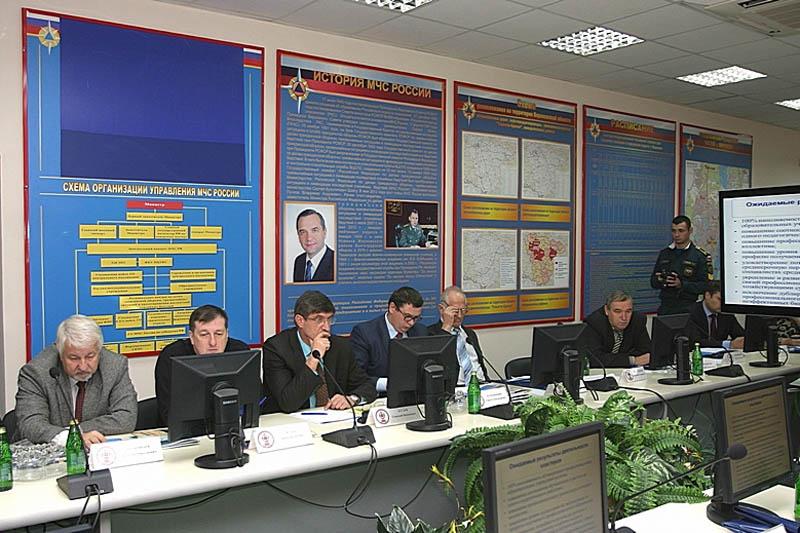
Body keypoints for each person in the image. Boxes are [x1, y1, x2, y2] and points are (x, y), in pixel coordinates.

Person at [15, 315, 137, 445]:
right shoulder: (37, 372)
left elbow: (126, 418)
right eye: (74, 358)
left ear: (99, 351)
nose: (83, 366)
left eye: (90, 356)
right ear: (60, 354)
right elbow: (30, 424)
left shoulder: (115, 366)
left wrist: (75, 431)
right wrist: (70, 437)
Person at [262, 291, 376, 413]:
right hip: (289, 421)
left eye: (329, 319)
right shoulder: (276, 348)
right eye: (318, 319)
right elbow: (287, 403)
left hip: (332, 417)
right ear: (300, 321)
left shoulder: (340, 346)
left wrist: (352, 398)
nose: (326, 327)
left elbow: (367, 386)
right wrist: (313, 359)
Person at [155, 305, 249, 425]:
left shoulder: (240, 352)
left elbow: (255, 399)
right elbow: (168, 411)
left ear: (227, 334)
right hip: (187, 431)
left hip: (233, 426)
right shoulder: (172, 356)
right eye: (204, 335)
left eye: (219, 334)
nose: (213, 342)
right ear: (191, 337)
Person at [351, 286, 428, 393]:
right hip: (379, 396)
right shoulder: (365, 333)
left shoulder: (420, 331)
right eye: (407, 316)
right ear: (392, 308)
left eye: (416, 318)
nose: (411, 323)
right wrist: (389, 384)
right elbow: (357, 377)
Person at [650, 215, 712, 315]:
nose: (677, 235)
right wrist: (661, 280)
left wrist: (682, 284)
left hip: (688, 307)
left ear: (690, 231)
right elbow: (653, 282)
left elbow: (705, 286)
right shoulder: (664, 253)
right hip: (666, 307)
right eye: (673, 231)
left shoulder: (699, 256)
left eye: (681, 231)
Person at [427, 286, 488, 385]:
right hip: (456, 388)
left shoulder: (469, 334)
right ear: (442, 309)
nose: (459, 316)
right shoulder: (430, 334)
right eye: (455, 311)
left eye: (463, 310)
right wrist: (446, 326)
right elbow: (437, 363)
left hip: (482, 385)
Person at [583, 290, 651, 368]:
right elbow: (595, 359)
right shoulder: (594, 323)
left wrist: (613, 359)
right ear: (606, 310)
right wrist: (633, 360)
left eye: (628, 311)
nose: (624, 317)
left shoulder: (638, 320)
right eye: (618, 311)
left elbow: (646, 353)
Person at [686, 281, 744, 349]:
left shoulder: (726, 313)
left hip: (722, 355)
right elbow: (695, 342)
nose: (723, 304)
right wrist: (728, 344)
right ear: (707, 295)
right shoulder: (691, 313)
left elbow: (740, 335)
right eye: (719, 299)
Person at [292, 209, 334, 282]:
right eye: (303, 232)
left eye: (314, 230)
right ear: (298, 236)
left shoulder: (337, 262)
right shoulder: (299, 261)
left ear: (324, 232)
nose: (309, 238)